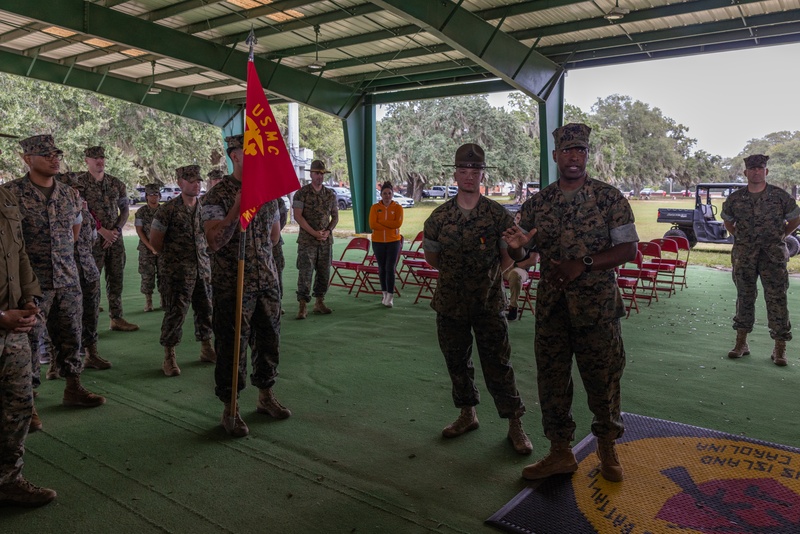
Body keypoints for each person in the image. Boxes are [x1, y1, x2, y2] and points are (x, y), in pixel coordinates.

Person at [504, 123, 638, 483]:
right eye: (567, 150)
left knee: (603, 380)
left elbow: (628, 249)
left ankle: (607, 448)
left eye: (580, 150)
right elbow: (523, 252)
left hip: (598, 310)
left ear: (587, 155)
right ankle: (560, 452)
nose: (574, 157)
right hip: (553, 309)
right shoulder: (539, 203)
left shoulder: (609, 198)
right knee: (552, 382)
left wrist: (584, 263)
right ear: (555, 156)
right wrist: (516, 248)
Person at [422, 143, 532, 455]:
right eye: (463, 170)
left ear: (482, 174)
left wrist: (491, 274)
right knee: (457, 363)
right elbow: (433, 258)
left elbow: (509, 256)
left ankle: (515, 423)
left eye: (475, 170)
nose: (469, 176)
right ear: (455, 174)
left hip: (488, 304)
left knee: (499, 365)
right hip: (450, 304)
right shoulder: (438, 218)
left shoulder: (497, 215)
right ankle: (467, 414)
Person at [3, 135, 106, 410]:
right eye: (46, 154)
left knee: (72, 334)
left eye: (56, 154)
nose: (54, 159)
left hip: (67, 278)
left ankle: (73, 387)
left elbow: (75, 230)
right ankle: (29, 402)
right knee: (29, 342)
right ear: (27, 159)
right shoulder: (10, 194)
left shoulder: (69, 194)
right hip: (30, 284)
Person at [202, 134, 290, 437]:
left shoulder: (268, 193)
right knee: (232, 347)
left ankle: (266, 396)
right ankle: (231, 408)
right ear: (235, 155)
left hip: (266, 281)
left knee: (269, 341)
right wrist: (236, 210)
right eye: (250, 151)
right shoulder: (217, 196)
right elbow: (214, 241)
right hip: (233, 284)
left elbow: (274, 237)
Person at [0, 164, 56, 507]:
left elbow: (18, 252)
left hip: (14, 326)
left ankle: (8, 480)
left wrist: (29, 298)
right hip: (4, 320)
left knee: (19, 404)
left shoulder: (5, 197)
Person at [721, 154, 800, 366]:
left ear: (766, 171)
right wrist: (740, 236)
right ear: (745, 172)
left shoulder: (779, 196)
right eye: (752, 168)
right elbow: (728, 221)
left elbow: (795, 218)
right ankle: (741, 343)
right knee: (744, 297)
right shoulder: (736, 198)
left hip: (772, 256)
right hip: (744, 256)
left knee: (777, 299)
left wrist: (782, 235)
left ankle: (779, 348)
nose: (756, 172)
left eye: (760, 168)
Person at [149, 166, 215, 376]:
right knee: (175, 313)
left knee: (206, 310)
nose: (196, 184)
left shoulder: (204, 208)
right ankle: (169, 356)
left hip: (202, 269)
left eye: (198, 181)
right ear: (180, 182)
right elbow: (155, 242)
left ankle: (206, 348)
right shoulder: (167, 210)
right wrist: (173, 260)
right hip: (176, 273)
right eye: (191, 181)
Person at [74, 146, 139, 332]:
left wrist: (115, 231)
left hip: (115, 239)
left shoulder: (116, 183)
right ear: (86, 160)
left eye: (102, 157)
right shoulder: (79, 184)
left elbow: (125, 210)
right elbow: (81, 210)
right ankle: (88, 325)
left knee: (116, 279)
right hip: (92, 241)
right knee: (90, 284)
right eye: (95, 158)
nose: (99, 161)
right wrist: (102, 231)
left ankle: (116, 318)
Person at [57, 173, 111, 371]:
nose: (76, 193)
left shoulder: (86, 214)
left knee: (91, 314)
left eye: (78, 189)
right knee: (63, 318)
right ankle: (55, 362)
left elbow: (93, 240)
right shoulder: (55, 214)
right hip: (65, 274)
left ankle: (91, 354)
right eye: (71, 189)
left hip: (88, 271)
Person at [293, 159, 337, 319]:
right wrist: (314, 233)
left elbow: (335, 217)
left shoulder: (330, 194)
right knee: (305, 272)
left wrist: (328, 231)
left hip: (325, 241)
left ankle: (319, 302)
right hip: (307, 241)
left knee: (324, 272)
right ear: (311, 174)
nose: (320, 176)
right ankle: (302, 306)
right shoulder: (301, 193)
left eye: (322, 173)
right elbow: (297, 216)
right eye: (317, 173)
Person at [369, 181, 404, 308]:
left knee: (390, 268)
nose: (387, 196)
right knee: (382, 268)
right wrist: (389, 224)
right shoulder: (375, 207)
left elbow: (397, 224)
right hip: (378, 242)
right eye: (385, 193)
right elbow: (373, 225)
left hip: (393, 241)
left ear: (392, 194)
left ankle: (390, 295)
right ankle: (384, 293)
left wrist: (382, 221)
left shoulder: (398, 208)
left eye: (389, 193)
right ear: (381, 194)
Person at [502, 212, 539, 321]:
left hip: (520, 269)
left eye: (521, 219)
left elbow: (533, 260)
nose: (518, 221)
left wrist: (514, 265)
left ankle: (513, 307)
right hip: (503, 268)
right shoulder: (506, 235)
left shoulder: (532, 239)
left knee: (515, 274)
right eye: (517, 218)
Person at [134, 184, 161, 312]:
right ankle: (148, 302)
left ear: (159, 196)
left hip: (162, 248)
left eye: (156, 194)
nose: (154, 197)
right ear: (146, 196)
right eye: (151, 194)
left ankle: (164, 299)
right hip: (146, 248)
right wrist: (151, 247)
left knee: (164, 275)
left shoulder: (165, 210)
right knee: (147, 275)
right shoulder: (141, 212)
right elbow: (139, 230)